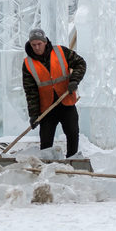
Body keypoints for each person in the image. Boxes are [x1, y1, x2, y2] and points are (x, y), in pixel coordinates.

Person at [22, 28, 87, 158]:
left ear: (45, 42)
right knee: (46, 142)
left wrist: (74, 80)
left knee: (73, 134)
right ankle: (47, 167)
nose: (36, 47)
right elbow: (31, 91)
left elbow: (81, 63)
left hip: (66, 102)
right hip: (47, 108)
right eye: (33, 45)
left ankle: (72, 161)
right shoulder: (28, 64)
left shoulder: (61, 52)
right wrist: (34, 114)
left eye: (39, 44)